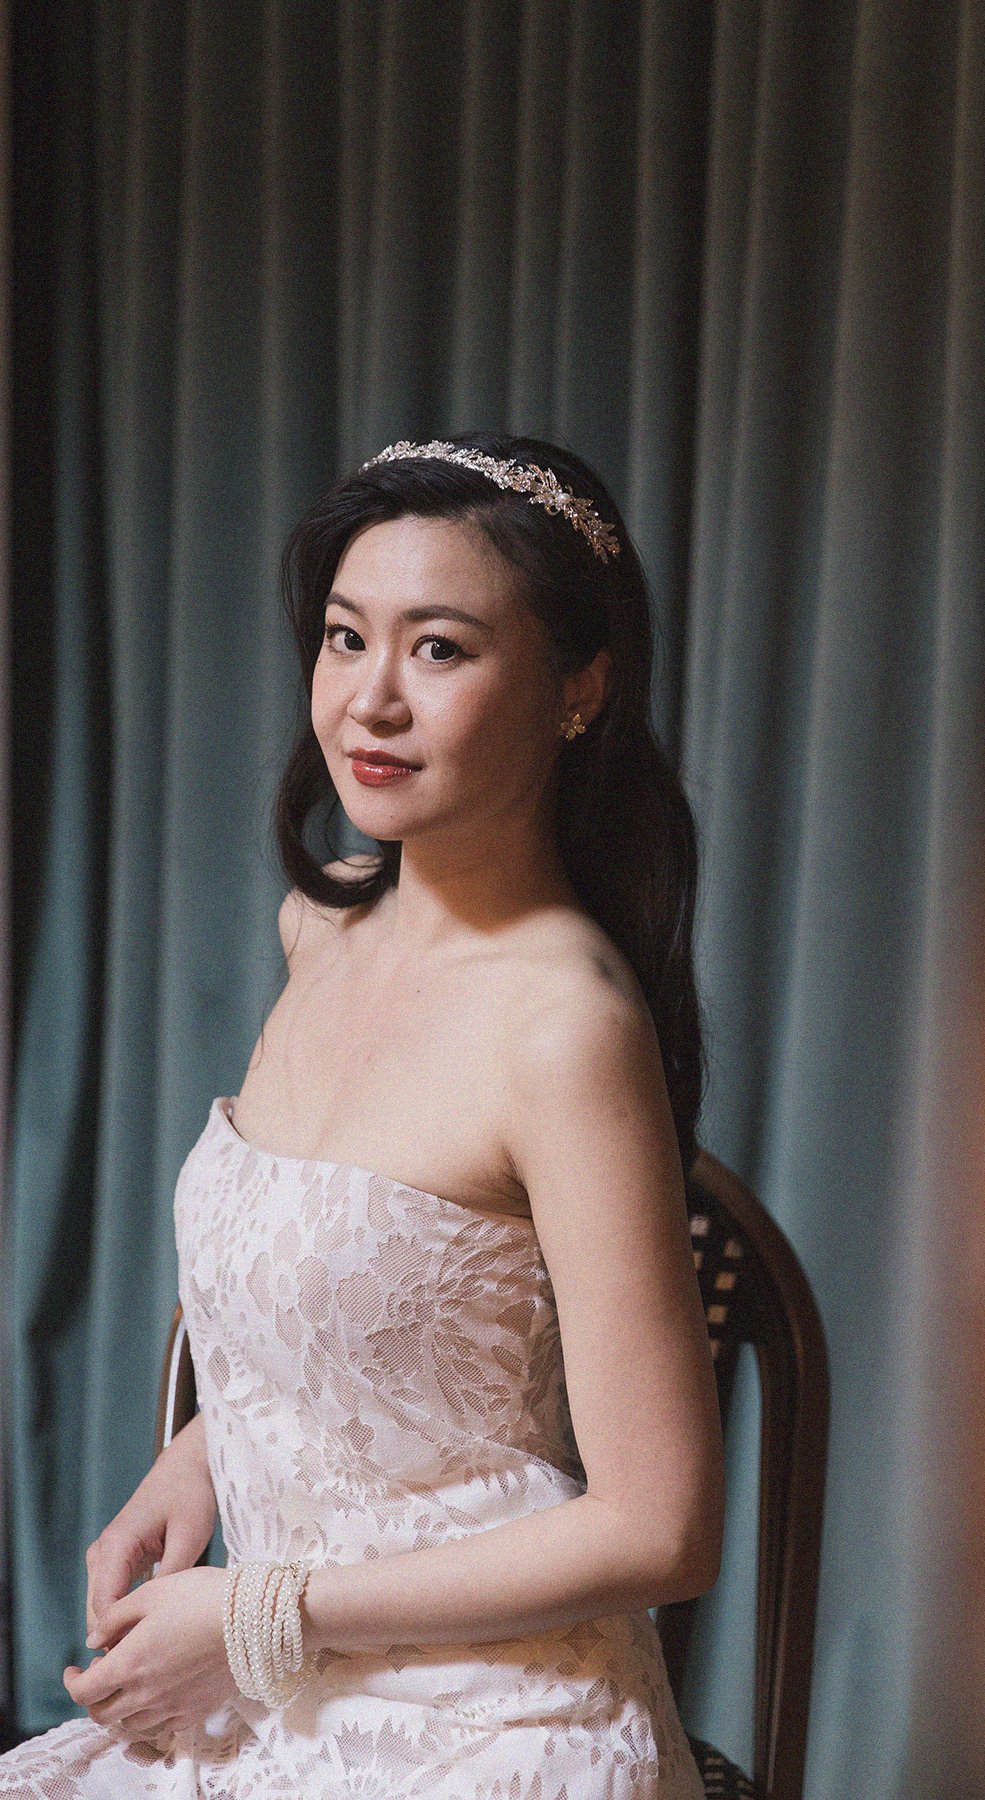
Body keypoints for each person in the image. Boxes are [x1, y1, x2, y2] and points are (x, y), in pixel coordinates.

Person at [0, 432, 724, 1797]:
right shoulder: (320, 927)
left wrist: (259, 1615)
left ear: (579, 688)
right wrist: (207, 1458)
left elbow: (661, 1525)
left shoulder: (566, 1029)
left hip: (492, 1718)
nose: (369, 703)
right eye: (345, 640)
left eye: (440, 649)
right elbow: (377, 1307)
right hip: (274, 1676)